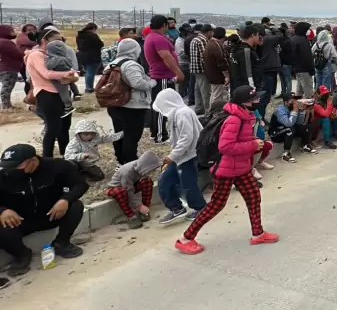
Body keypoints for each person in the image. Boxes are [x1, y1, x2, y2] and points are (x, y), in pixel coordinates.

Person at [175, 86, 279, 255]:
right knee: (216, 205)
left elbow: (239, 139)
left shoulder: (245, 116)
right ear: (244, 102)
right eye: (254, 99)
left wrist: (252, 142)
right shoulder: (234, 119)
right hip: (226, 169)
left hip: (240, 167)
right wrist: (252, 145)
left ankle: (258, 234)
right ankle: (185, 239)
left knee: (253, 197)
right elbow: (225, 146)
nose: (258, 101)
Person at [0, 144, 87, 276]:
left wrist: (66, 199)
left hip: (51, 214)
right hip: (20, 221)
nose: (12, 169)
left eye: (17, 166)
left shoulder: (57, 167)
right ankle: (22, 255)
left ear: (33, 160)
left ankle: (61, 243)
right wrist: (3, 211)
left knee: (76, 206)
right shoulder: (4, 175)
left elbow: (80, 184)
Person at [153, 88, 207, 224]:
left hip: (189, 155)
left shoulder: (183, 114)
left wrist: (173, 155)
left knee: (188, 184)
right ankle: (176, 208)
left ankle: (200, 208)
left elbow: (186, 138)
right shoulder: (175, 114)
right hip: (179, 156)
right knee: (164, 180)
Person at [24, 29, 79, 157]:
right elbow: (46, 74)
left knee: (64, 129)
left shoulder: (54, 54)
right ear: (44, 41)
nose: (61, 43)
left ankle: (66, 156)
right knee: (53, 129)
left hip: (62, 95)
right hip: (47, 94)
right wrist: (68, 74)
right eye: (57, 40)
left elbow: (73, 71)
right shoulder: (36, 55)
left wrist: (73, 76)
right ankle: (47, 159)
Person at [106, 39, 156, 164]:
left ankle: (120, 159)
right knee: (132, 135)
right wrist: (151, 83)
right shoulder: (131, 64)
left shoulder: (112, 63)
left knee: (119, 133)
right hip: (132, 106)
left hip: (114, 104)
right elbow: (138, 83)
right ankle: (130, 161)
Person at [144, 15, 185, 143]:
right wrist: (178, 73)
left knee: (157, 105)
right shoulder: (157, 38)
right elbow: (166, 57)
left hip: (161, 75)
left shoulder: (153, 36)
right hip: (162, 76)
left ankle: (155, 132)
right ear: (164, 25)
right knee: (162, 106)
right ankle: (160, 135)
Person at [105, 150, 161, 229]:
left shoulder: (140, 168)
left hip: (130, 185)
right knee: (120, 192)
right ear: (146, 166)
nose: (152, 172)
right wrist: (139, 205)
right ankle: (131, 216)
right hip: (116, 188)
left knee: (147, 181)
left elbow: (135, 186)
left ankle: (144, 210)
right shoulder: (127, 172)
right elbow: (128, 190)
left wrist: (142, 205)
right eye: (151, 169)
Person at [44, 39, 78, 116]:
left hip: (59, 78)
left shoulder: (55, 59)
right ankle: (76, 93)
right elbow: (70, 65)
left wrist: (47, 60)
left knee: (63, 92)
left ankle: (68, 106)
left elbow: (49, 67)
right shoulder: (66, 58)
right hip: (68, 74)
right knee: (71, 84)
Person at [0, 25, 24, 113]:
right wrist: (24, 53)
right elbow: (17, 54)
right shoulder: (6, 42)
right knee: (7, 87)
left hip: (2, 68)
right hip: (9, 68)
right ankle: (6, 107)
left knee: (6, 86)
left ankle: (7, 105)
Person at [188, 24, 211, 115]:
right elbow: (204, 57)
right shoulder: (203, 40)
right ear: (209, 32)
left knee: (197, 89)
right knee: (205, 91)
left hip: (194, 68)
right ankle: (207, 111)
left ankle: (198, 108)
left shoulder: (195, 39)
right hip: (202, 69)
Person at [312, 85, 337, 150]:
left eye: (327, 93)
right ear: (319, 94)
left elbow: (331, 109)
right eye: (324, 94)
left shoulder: (325, 100)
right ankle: (327, 141)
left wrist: (336, 111)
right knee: (326, 119)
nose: (326, 95)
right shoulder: (316, 103)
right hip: (316, 121)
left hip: (323, 117)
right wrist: (330, 103)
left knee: (336, 114)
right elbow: (325, 114)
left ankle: (335, 134)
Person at [291, 22, 315, 98]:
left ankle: (297, 107)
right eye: (307, 29)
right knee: (309, 93)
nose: (309, 31)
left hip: (297, 69)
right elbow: (307, 57)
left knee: (299, 91)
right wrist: (311, 69)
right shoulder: (302, 41)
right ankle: (309, 108)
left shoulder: (294, 39)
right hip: (305, 70)